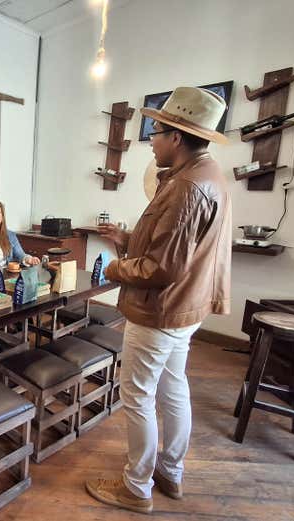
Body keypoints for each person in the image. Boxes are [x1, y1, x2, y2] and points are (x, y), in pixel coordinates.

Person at [84, 87, 232, 514]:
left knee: (137, 396)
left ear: (177, 138)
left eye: (156, 133)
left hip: (160, 311)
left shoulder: (186, 187)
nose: (151, 142)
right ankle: (170, 471)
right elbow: (174, 247)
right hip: (185, 309)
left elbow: (161, 268)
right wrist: (127, 238)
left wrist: (114, 268)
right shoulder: (209, 175)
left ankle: (136, 487)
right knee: (173, 388)